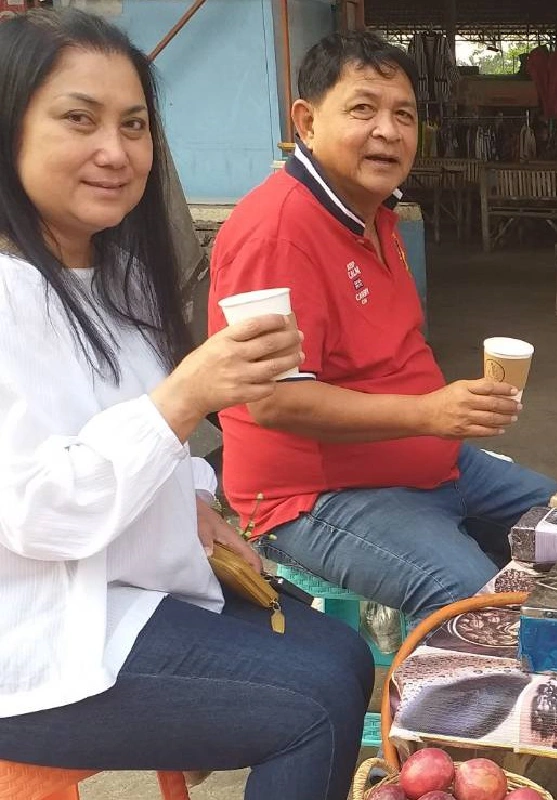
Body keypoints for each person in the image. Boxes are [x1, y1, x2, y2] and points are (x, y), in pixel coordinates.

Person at [0, 10, 374, 800]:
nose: (116, 151)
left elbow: (138, 439)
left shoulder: (121, 277)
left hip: (132, 585)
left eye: (134, 125)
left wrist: (198, 502)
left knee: (345, 657)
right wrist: (186, 397)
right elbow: (37, 513)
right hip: (41, 636)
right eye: (80, 119)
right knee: (310, 704)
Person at [207, 31, 557, 621]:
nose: (388, 132)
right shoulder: (277, 230)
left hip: (436, 464)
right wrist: (429, 413)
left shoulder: (376, 215)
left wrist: (447, 417)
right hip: (312, 497)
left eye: (404, 115)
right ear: (307, 122)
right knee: (477, 607)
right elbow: (273, 401)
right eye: (363, 109)